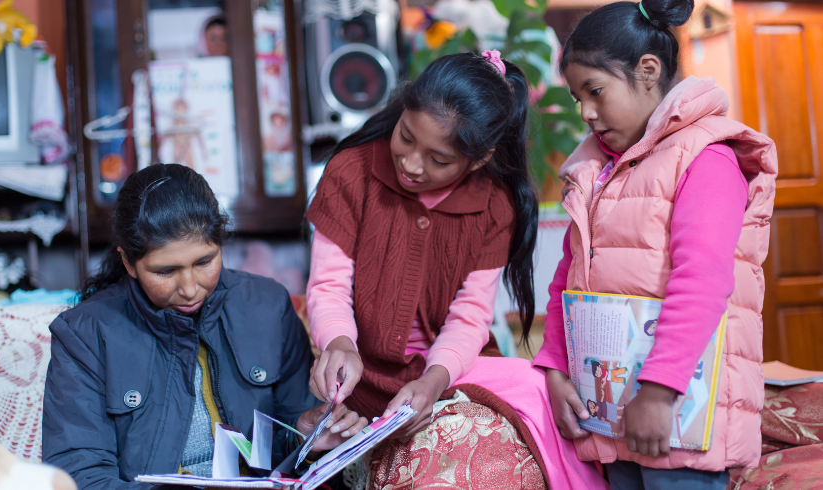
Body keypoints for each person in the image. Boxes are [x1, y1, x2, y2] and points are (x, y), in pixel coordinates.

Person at [305, 51, 607, 489]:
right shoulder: (351, 173)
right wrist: (339, 345)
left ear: (480, 158)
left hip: (448, 374)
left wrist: (432, 383)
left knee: (537, 390)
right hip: (362, 381)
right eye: (405, 136)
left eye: (438, 160)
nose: (411, 163)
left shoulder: (493, 206)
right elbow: (328, 285)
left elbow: (469, 317)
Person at [533, 0, 777, 488]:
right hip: (615, 414)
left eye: (595, 91)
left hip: (680, 418)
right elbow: (569, 277)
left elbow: (702, 281)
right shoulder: (599, 172)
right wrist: (555, 364)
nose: (586, 112)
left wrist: (660, 391)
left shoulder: (707, 159)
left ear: (648, 71)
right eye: (578, 97)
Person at [42, 164, 367, 489]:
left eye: (204, 262)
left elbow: (283, 442)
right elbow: (79, 474)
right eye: (165, 272)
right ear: (128, 262)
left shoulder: (267, 306)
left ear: (221, 243)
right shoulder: (84, 334)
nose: (189, 288)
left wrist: (303, 436)